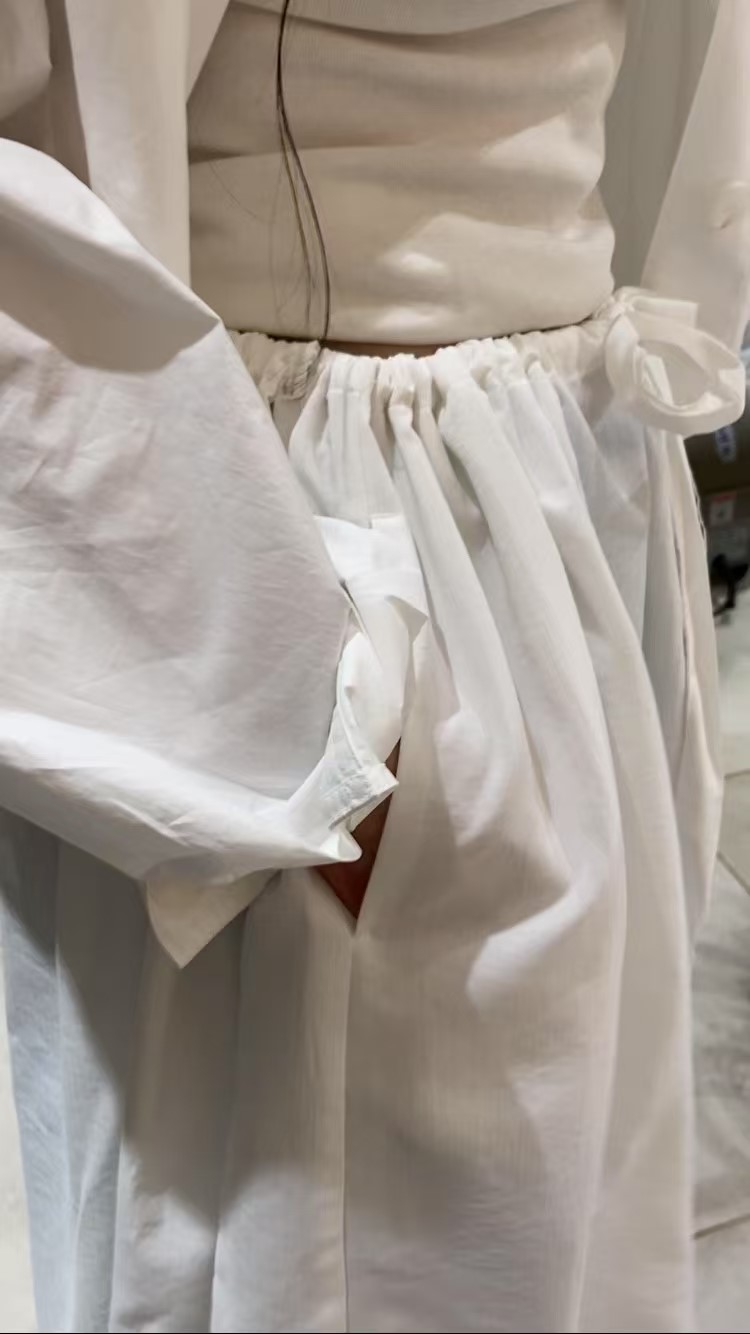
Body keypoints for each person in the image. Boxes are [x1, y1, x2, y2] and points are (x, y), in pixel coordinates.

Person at [0, 2, 748, 1330]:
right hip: (285, 544)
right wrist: (284, 714)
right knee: (313, 1225)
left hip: (568, 494)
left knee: (550, 1209)